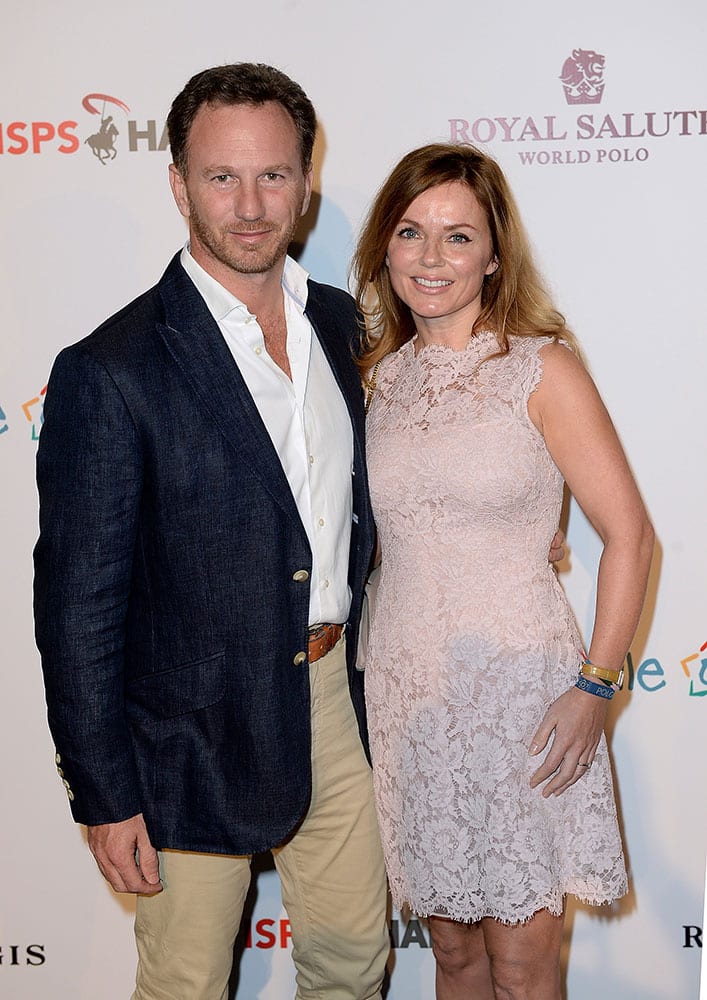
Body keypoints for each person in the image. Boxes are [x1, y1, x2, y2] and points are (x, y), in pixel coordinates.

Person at [33, 63, 390, 1000]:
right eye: (220, 177)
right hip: (182, 730)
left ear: (305, 183)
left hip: (332, 700)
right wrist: (105, 795)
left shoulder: (345, 326)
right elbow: (76, 606)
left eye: (272, 175)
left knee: (355, 963)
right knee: (186, 983)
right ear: (178, 182)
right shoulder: (110, 369)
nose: (247, 205)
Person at [352, 143, 654, 1000]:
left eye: (457, 236)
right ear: (385, 248)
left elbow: (629, 534)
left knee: (522, 966)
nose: (431, 258)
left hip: (520, 696)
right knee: (452, 956)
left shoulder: (540, 367)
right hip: (409, 697)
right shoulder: (375, 379)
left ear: (493, 252)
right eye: (411, 233)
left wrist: (596, 685)